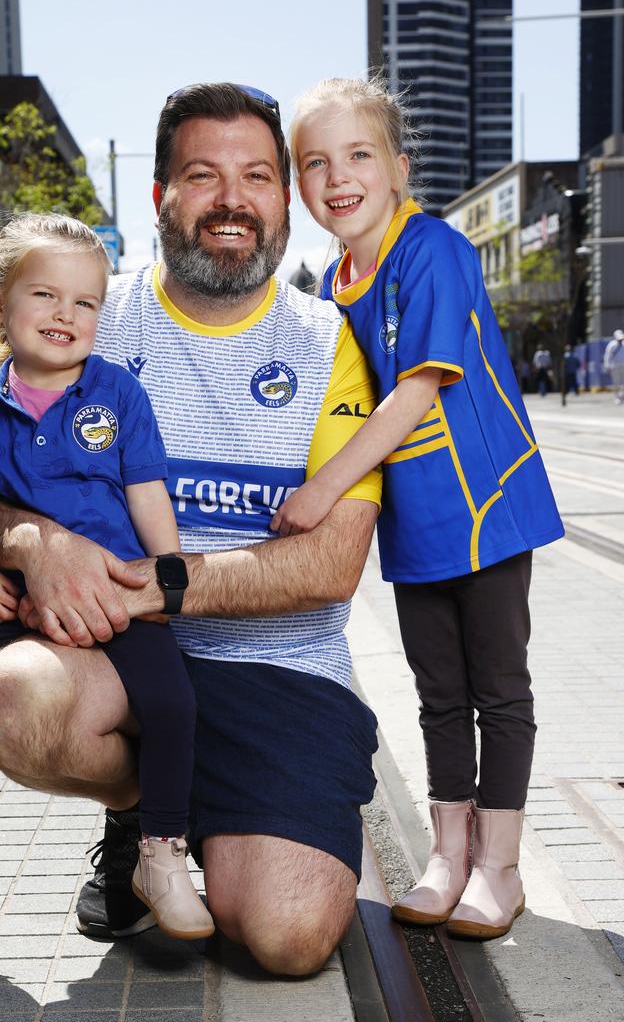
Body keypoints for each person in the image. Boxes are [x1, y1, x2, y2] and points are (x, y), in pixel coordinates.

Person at [0, 84, 383, 976]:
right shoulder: (87, 316)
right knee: (15, 702)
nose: (232, 199)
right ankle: (142, 814)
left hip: (282, 667)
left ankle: (223, 813)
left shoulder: (334, 341)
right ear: (160, 198)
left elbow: (333, 564)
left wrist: (168, 581)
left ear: (284, 202)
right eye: (202, 174)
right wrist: (33, 542)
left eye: (257, 176)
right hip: (124, 658)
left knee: (289, 939)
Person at [0, 214, 213, 941]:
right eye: (45, 295)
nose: (65, 314)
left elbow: (148, 493)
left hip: (119, 597)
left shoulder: (117, 393)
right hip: (13, 600)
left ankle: (161, 856)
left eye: (86, 303)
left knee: (176, 706)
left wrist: (166, 578)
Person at [271, 76, 564, 941]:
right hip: (412, 523)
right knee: (438, 694)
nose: (338, 175)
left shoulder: (433, 247)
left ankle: (499, 869)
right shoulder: (332, 280)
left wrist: (323, 492)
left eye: (359, 154)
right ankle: (448, 855)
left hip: (485, 505)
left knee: (497, 690)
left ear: (397, 168)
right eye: (315, 162)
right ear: (300, 184)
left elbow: (415, 391)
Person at [603, 328, 624, 404]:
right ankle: (616, 397)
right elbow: (607, 356)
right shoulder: (612, 345)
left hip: (623, 366)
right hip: (615, 367)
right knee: (616, 383)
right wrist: (607, 365)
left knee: (623, 383)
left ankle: (622, 397)